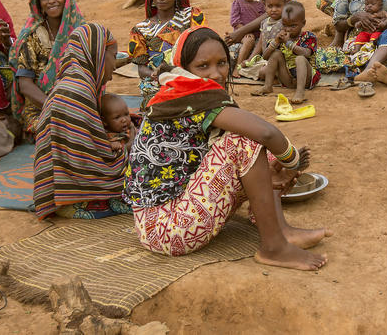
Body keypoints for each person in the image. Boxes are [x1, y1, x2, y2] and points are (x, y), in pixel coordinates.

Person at [126, 27, 329, 271]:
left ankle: (281, 230)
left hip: (179, 212)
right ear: (184, 67)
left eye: (222, 63)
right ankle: (274, 247)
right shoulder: (189, 96)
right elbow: (267, 133)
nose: (216, 73)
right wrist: (292, 162)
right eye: (203, 66)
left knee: (261, 150)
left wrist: (274, 164)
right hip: (165, 229)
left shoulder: (185, 91)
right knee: (246, 142)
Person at [34, 23, 131, 219]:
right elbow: (89, 156)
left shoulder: (77, 82)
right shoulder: (78, 92)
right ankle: (86, 201)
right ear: (97, 55)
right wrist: (126, 146)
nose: (115, 64)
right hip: (68, 187)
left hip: (60, 180)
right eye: (113, 57)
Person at [8, 0, 86, 141]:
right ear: (39, 4)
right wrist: (55, 108)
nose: (51, 1)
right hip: (41, 108)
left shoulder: (82, 31)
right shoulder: (33, 36)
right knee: (64, 132)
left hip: (76, 103)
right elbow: (25, 84)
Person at [128, 0, 207, 101]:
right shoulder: (140, 29)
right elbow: (141, 68)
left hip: (189, 75)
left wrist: (180, 74)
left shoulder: (191, 16)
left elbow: (203, 47)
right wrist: (157, 74)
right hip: (159, 81)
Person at [255, 1, 320, 102]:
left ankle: (300, 92)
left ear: (303, 23)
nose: (288, 29)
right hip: (288, 80)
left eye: (293, 26)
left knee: (300, 59)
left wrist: (289, 43)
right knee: (275, 54)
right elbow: (265, 56)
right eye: (285, 25)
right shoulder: (280, 36)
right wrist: (275, 42)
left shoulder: (308, 36)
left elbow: (306, 53)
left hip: (306, 79)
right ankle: (268, 86)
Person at [235, 0, 287, 80]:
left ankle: (275, 77)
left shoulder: (285, 23)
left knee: (263, 72)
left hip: (280, 61)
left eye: (278, 6)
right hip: (265, 59)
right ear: (265, 6)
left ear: (286, 5)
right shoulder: (264, 22)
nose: (274, 9)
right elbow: (260, 43)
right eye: (270, 6)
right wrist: (250, 59)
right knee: (245, 69)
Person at [229, 0, 264, 65]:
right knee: (249, 41)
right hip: (240, 34)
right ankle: (238, 66)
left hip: (257, 35)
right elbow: (234, 21)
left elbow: (262, 22)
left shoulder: (261, 5)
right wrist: (245, 32)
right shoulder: (238, 3)